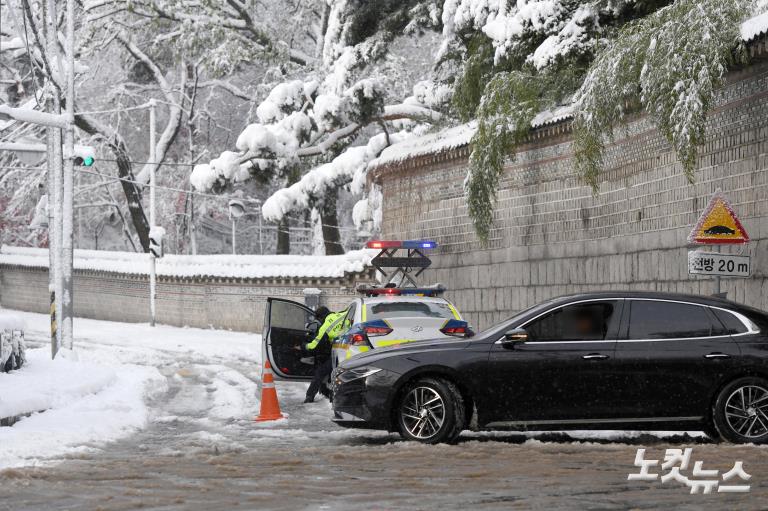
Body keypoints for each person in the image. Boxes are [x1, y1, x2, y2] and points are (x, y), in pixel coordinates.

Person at [303, 306, 347, 403]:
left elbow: (315, 345)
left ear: (321, 317)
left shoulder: (325, 326)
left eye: (318, 319)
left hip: (341, 351)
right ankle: (328, 393)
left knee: (320, 372)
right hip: (352, 349)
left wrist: (305, 346)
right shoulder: (342, 314)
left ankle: (309, 397)